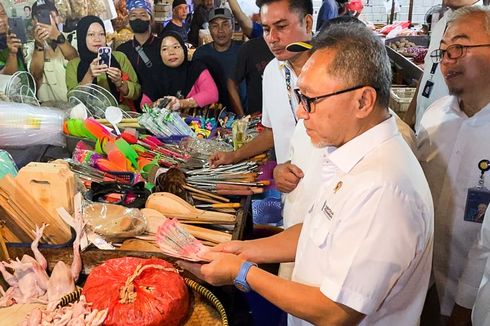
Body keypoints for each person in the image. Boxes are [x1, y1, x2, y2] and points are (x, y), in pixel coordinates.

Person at [179, 21, 434, 325]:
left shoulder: (382, 188)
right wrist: (243, 250)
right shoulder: (346, 153)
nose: (301, 112)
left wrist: (242, 272)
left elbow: (335, 310)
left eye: (310, 100)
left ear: (362, 101)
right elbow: (317, 230)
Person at [416, 6, 490, 325]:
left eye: (459, 47)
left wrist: (465, 304)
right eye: (443, 51)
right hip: (423, 285)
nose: (447, 59)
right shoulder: (434, 117)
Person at [209, 0, 313, 167]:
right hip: (290, 187)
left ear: (307, 23)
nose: (272, 38)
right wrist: (234, 156)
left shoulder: (334, 71)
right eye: (266, 29)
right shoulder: (272, 71)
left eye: (281, 27)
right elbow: (272, 133)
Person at [403, 0, 483, 130]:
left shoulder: (484, 28)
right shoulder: (442, 22)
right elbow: (429, 70)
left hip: (452, 136)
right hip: (424, 129)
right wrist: (410, 117)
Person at [66, 16, 141, 109]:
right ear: (82, 37)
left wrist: (120, 83)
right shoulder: (73, 65)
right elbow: (73, 100)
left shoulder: (119, 58)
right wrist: (89, 76)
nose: (97, 39)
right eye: (91, 34)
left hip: (120, 118)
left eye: (101, 34)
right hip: (89, 120)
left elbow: (137, 92)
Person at [140, 31, 218, 109]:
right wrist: (156, 105)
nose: (171, 52)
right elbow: (144, 105)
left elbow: (212, 94)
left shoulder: (196, 68)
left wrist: (181, 103)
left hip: (195, 120)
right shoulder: (154, 74)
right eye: (164, 49)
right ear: (159, 54)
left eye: (176, 47)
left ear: (183, 49)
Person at [193, 7, 244, 111]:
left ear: (233, 27)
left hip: (243, 112)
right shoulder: (200, 54)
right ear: (209, 29)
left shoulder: (243, 50)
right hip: (210, 115)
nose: (220, 30)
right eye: (215, 26)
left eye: (225, 24)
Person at [29, 0, 78, 103]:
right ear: (33, 22)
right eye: (41, 16)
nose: (47, 19)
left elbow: (75, 60)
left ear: (58, 18)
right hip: (48, 109)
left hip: (75, 105)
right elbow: (35, 76)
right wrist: (39, 45)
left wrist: (57, 37)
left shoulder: (73, 37)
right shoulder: (29, 48)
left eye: (51, 15)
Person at [117, 0, 161, 109]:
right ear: (129, 19)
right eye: (133, 15)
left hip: (158, 107)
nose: (138, 18)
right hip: (130, 108)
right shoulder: (121, 50)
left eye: (143, 14)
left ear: (150, 18)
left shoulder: (163, 46)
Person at [228, 36, 274, 115]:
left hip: (293, 115)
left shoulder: (294, 47)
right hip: (259, 118)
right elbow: (231, 83)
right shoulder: (250, 48)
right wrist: (243, 118)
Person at [0, 3, 26, 74]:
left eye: (2, 14)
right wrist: (12, 53)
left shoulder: (13, 35)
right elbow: (5, 76)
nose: (1, 20)